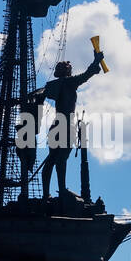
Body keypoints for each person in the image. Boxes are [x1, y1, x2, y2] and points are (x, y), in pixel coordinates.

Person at [32, 51, 104, 197]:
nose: (71, 71)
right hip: (65, 125)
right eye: (70, 70)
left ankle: (46, 193)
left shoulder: (53, 85)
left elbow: (40, 97)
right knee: (61, 159)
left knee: (52, 159)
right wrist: (96, 60)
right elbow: (85, 75)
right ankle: (62, 189)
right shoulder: (69, 82)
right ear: (67, 72)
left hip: (55, 125)